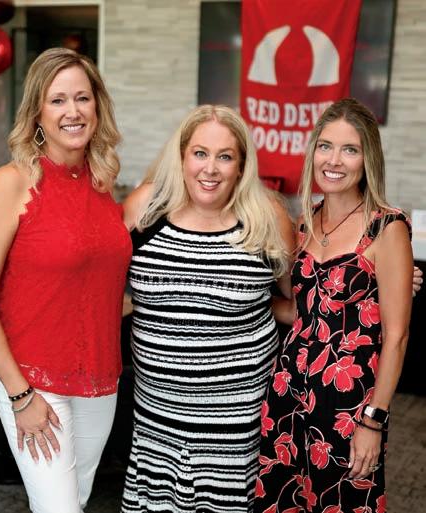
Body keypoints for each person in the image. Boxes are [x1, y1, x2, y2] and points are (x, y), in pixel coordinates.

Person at [0, 48, 132, 513]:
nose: (72, 111)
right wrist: (20, 395)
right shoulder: (11, 182)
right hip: (32, 378)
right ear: (37, 112)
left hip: (100, 379)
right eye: (57, 100)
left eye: (82, 98)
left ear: (98, 105)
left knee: (73, 500)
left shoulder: (103, 182)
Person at [120, 104, 295, 512]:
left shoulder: (267, 218)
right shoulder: (146, 208)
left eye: (225, 156)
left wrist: (377, 283)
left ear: (242, 166)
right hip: (157, 418)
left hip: (234, 427)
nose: (210, 169)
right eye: (200, 153)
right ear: (181, 157)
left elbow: (301, 302)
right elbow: (97, 282)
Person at [254, 98, 413, 513]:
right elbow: (304, 312)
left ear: (368, 159)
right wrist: (247, 301)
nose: (334, 160)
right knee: (283, 500)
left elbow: (396, 336)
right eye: (325, 146)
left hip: (349, 402)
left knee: (343, 502)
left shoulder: (387, 227)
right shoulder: (305, 222)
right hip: (287, 391)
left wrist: (373, 420)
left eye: (350, 149)